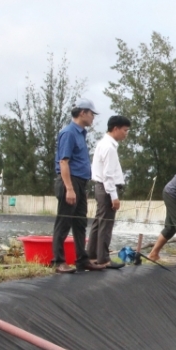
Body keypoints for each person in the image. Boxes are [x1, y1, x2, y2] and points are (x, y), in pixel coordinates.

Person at [51, 98, 104, 273]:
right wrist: (70, 189)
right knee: (64, 222)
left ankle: (82, 259)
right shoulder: (69, 132)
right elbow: (64, 162)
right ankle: (59, 261)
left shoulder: (81, 133)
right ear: (83, 113)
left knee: (80, 223)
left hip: (81, 182)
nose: (93, 118)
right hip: (70, 181)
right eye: (92, 114)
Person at [88, 115, 131, 269]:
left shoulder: (103, 144)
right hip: (107, 189)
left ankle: (92, 256)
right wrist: (114, 197)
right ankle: (104, 259)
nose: (126, 134)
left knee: (98, 223)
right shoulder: (109, 147)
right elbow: (108, 175)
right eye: (125, 130)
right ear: (115, 129)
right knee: (105, 225)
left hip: (100, 187)